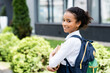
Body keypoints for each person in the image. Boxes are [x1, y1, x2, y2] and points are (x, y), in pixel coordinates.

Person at [47, 7, 93, 73]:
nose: (64, 24)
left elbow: (52, 63)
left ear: (78, 23)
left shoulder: (72, 41)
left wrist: (51, 55)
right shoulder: (78, 38)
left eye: (69, 21)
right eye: (64, 20)